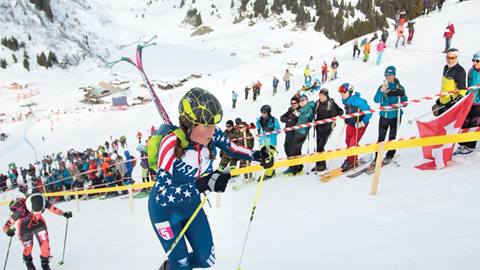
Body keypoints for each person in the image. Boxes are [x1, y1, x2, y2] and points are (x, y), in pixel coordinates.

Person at [148, 88, 274, 270]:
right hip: (165, 212)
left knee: (207, 259)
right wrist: (203, 184)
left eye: (214, 125)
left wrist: (257, 155)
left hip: (191, 206)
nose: (213, 130)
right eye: (207, 126)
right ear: (190, 124)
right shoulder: (170, 144)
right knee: (181, 264)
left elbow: (232, 148)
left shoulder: (212, 135)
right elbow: (162, 195)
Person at [3, 193, 72, 270]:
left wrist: (63, 213)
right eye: (36, 212)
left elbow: (53, 208)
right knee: (28, 247)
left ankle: (45, 264)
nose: (39, 213)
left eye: (40, 211)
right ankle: (28, 262)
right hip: (24, 228)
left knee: (45, 245)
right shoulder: (20, 210)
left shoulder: (41, 201)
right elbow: (6, 226)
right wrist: (8, 231)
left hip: (39, 224)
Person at [371, 66, 408, 166]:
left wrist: (402, 94)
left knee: (392, 136)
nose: (388, 77)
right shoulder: (383, 86)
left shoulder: (399, 87)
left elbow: (405, 103)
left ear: (394, 75)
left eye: (390, 75)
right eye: (386, 75)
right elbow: (376, 100)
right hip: (384, 115)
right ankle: (377, 157)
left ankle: (390, 155)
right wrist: (381, 91)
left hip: (396, 115)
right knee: (381, 137)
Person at [338, 83, 372, 171]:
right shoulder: (345, 100)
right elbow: (349, 111)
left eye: (344, 92)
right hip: (351, 123)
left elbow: (369, 111)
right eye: (341, 92)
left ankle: (351, 161)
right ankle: (352, 157)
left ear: (349, 92)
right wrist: (347, 118)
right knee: (348, 141)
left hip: (359, 124)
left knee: (353, 143)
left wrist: (363, 122)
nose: (342, 94)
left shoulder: (357, 100)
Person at [312, 89, 344, 172]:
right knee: (318, 146)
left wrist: (334, 116)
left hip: (327, 128)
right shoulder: (317, 103)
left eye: (322, 95)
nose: (321, 97)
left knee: (320, 146)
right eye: (320, 95)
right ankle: (318, 164)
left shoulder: (331, 103)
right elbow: (313, 112)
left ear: (326, 96)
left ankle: (322, 165)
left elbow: (341, 111)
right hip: (318, 128)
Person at [284, 94, 315, 176]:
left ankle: (294, 169)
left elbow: (302, 114)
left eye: (303, 100)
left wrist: (296, 114)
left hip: (302, 131)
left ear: (307, 100)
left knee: (294, 150)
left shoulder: (308, 107)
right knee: (295, 149)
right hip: (298, 131)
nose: (301, 102)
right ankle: (297, 167)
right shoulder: (303, 108)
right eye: (300, 100)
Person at [457, 51, 480, 154]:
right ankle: (462, 144)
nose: (475, 62)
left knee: (474, 123)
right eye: (473, 60)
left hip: (478, 103)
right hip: (469, 101)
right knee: (465, 122)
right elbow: (468, 86)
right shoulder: (471, 71)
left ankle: (470, 146)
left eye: (477, 61)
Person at [433, 48, 467, 116]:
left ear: (457, 58)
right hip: (443, 101)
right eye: (448, 57)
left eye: (452, 58)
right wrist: (439, 101)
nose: (449, 60)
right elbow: (445, 87)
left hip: (450, 104)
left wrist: (455, 101)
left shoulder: (459, 71)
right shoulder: (445, 67)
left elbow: (463, 90)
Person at [256, 104, 280, 179]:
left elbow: (278, 130)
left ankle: (268, 173)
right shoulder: (259, 120)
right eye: (262, 112)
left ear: (268, 112)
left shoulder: (273, 120)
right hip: (262, 142)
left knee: (268, 157)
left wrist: (271, 130)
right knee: (264, 158)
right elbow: (258, 130)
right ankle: (269, 171)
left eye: (264, 112)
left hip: (271, 141)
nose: (263, 114)